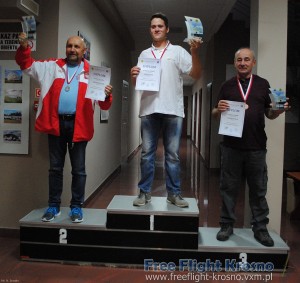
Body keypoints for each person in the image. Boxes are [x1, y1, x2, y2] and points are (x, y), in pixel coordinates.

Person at [15, 33, 113, 223]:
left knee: (79, 170)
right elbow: (25, 64)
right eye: (69, 46)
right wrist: (24, 47)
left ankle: (76, 207)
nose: (72, 50)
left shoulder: (94, 73)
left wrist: (107, 95)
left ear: (84, 51)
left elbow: (104, 105)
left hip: (79, 126)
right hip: (56, 124)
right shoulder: (52, 67)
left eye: (77, 47)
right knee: (55, 169)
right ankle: (54, 206)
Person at [212, 47, 289, 246]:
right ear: (235, 62)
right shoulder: (227, 85)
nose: (243, 63)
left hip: (256, 147)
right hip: (230, 147)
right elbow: (214, 112)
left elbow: (269, 114)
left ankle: (260, 229)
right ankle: (226, 225)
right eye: (239, 60)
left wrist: (278, 112)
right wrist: (217, 109)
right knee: (228, 188)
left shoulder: (263, 85)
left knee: (258, 189)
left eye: (247, 59)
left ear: (253, 62)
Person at [130, 12, 202, 208]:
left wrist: (194, 52)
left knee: (172, 155)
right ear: (150, 30)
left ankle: (174, 193)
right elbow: (138, 83)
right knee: (147, 154)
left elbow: (195, 74)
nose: (156, 29)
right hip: (149, 109)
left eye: (160, 26)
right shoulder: (144, 54)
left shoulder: (178, 51)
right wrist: (133, 75)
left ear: (167, 29)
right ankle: (144, 192)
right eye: (153, 26)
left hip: (173, 109)